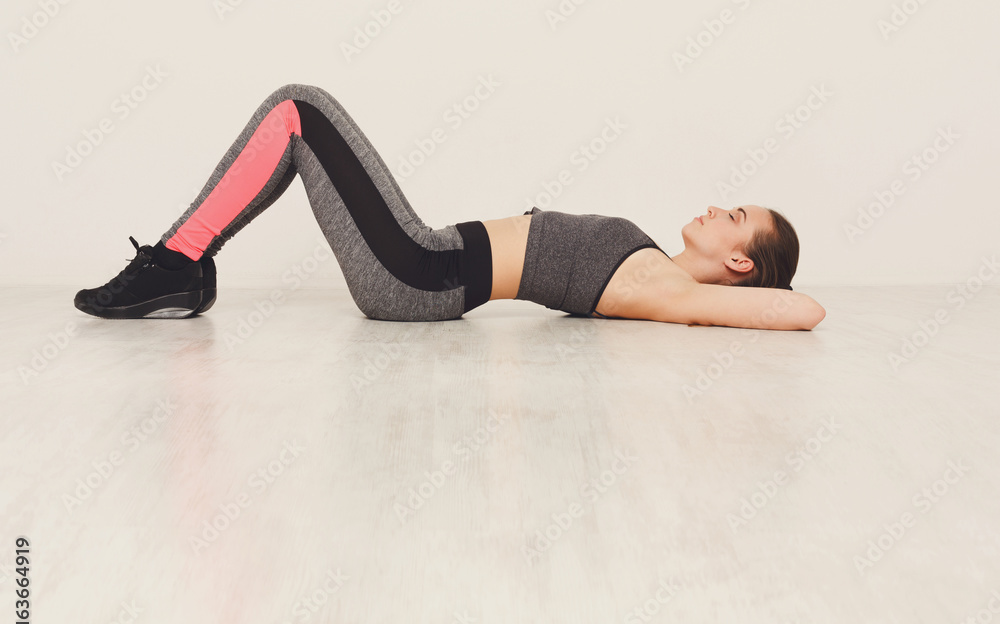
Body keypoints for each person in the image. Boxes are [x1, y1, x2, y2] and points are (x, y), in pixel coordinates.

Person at [74, 83, 824, 330]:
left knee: (300, 108)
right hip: (422, 259)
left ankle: (177, 263)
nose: (718, 207)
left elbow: (803, 311)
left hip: (416, 273)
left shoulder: (666, 288)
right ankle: (184, 265)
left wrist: (728, 300)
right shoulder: (657, 266)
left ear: (739, 259)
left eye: (736, 216)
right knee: (298, 118)